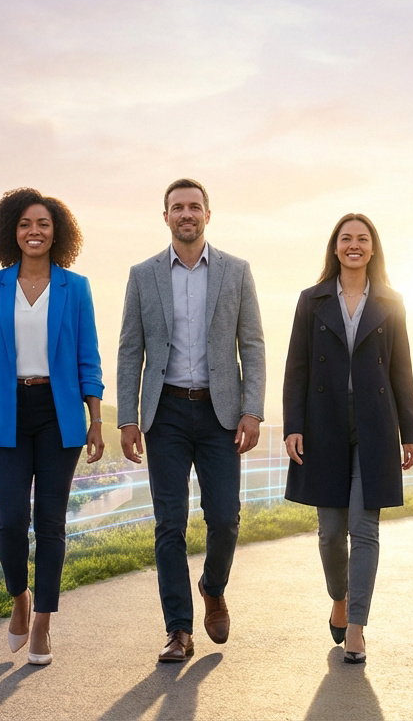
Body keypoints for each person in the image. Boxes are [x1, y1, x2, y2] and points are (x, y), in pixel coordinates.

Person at [117, 177, 266, 663]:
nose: (186, 214)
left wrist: (252, 410)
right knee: (170, 524)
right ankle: (178, 629)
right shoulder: (143, 275)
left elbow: (253, 345)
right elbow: (130, 350)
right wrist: (127, 418)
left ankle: (213, 586)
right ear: (165, 217)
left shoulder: (236, 271)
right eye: (177, 207)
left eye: (194, 207)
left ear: (207, 214)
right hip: (165, 413)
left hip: (221, 413)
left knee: (225, 517)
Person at [0, 187, 105, 666]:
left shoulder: (75, 288)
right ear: (11, 232)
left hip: (58, 414)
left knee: (51, 523)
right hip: (7, 412)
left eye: (43, 224)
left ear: (57, 232)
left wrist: (96, 420)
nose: (34, 231)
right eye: (24, 224)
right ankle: (20, 597)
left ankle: (42, 620)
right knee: (10, 521)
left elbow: (88, 358)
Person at [281, 213, 413, 664]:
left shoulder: (391, 302)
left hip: (375, 423)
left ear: (373, 248)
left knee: (364, 528)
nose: (354, 245)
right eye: (346, 238)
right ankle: (339, 598)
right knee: (330, 532)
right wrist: (292, 425)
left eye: (362, 238)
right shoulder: (312, 300)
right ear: (335, 247)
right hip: (323, 422)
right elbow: (296, 367)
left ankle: (357, 627)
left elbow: (401, 369)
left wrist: (410, 432)